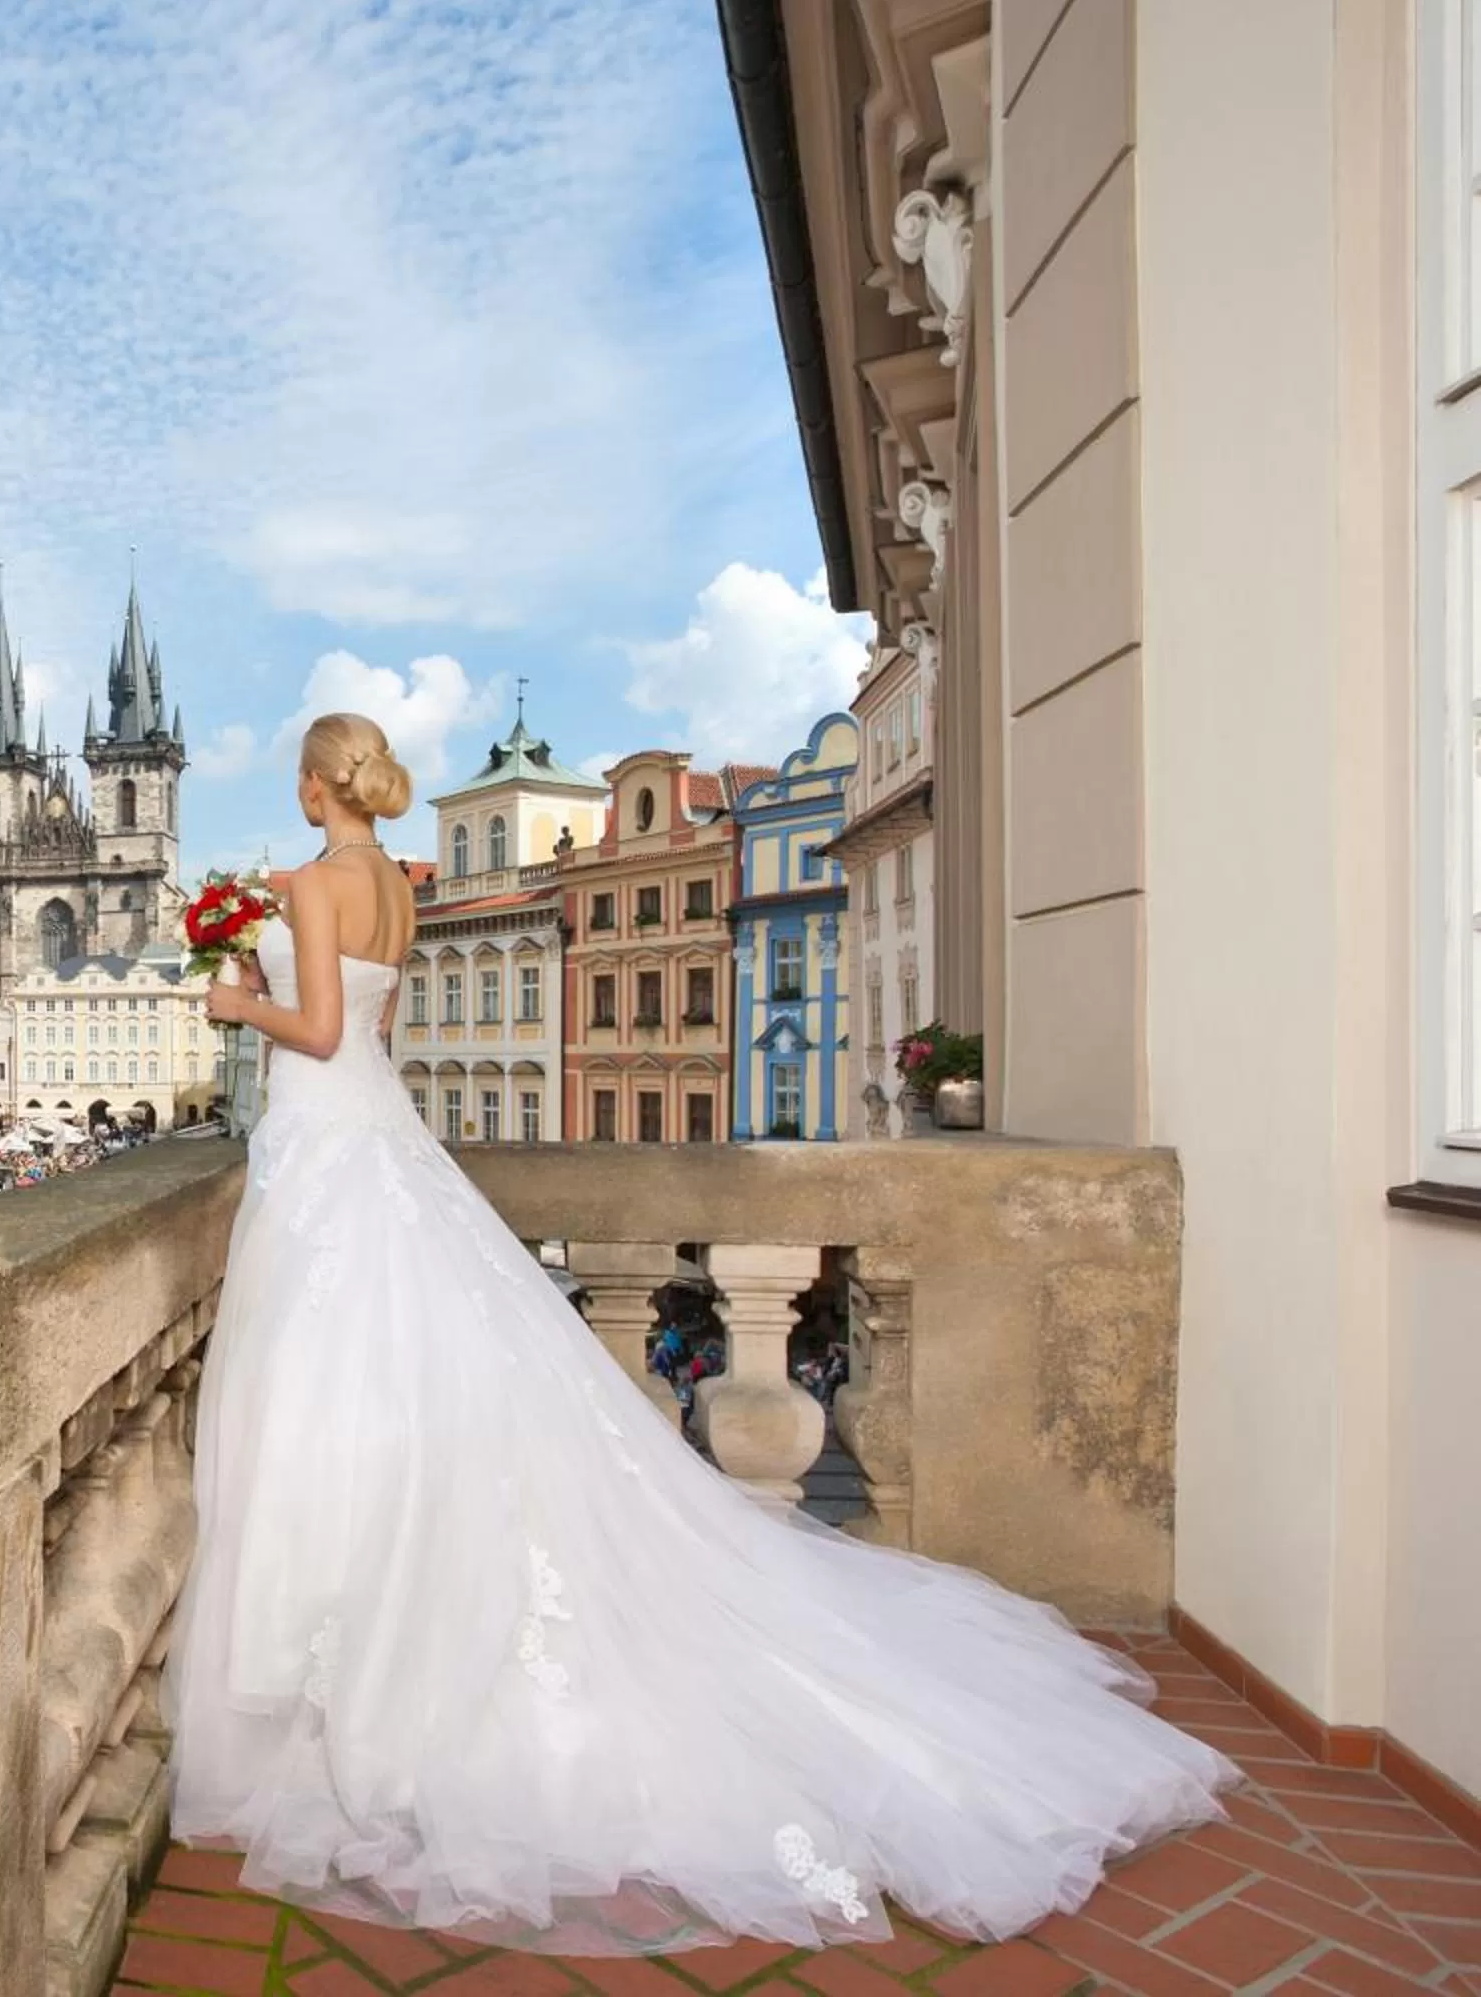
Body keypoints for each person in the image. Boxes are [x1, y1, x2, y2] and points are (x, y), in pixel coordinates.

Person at [167, 712, 1232, 1956]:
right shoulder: (398, 900)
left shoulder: (308, 881)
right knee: (403, 1389)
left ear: (311, 784)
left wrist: (240, 1002)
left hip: (325, 1148)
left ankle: (322, 1671)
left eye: (298, 772)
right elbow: (383, 1037)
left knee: (324, 1399)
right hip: (384, 1144)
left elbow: (325, 1033)